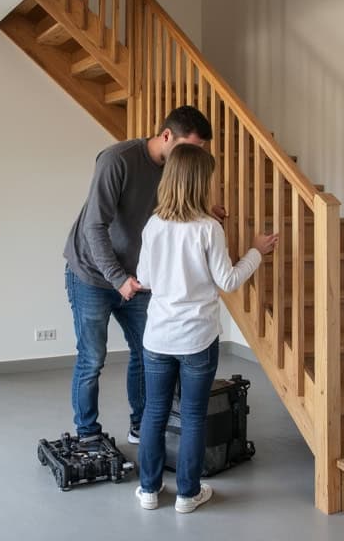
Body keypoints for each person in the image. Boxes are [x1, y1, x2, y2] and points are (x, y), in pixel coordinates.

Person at [133, 144, 277, 513]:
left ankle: (149, 491)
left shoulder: (154, 225)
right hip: (197, 337)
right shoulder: (209, 229)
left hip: (158, 336)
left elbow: (146, 278)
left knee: (154, 411)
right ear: (200, 184)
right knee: (194, 414)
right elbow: (228, 281)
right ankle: (187, 494)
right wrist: (257, 251)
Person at [64, 106, 214, 445]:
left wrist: (204, 212)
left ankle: (140, 426)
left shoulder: (174, 170)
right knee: (92, 358)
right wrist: (118, 278)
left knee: (148, 352)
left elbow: (172, 210)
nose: (193, 157)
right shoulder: (117, 160)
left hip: (138, 277)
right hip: (91, 273)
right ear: (165, 136)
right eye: (189, 148)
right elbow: (94, 225)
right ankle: (87, 433)